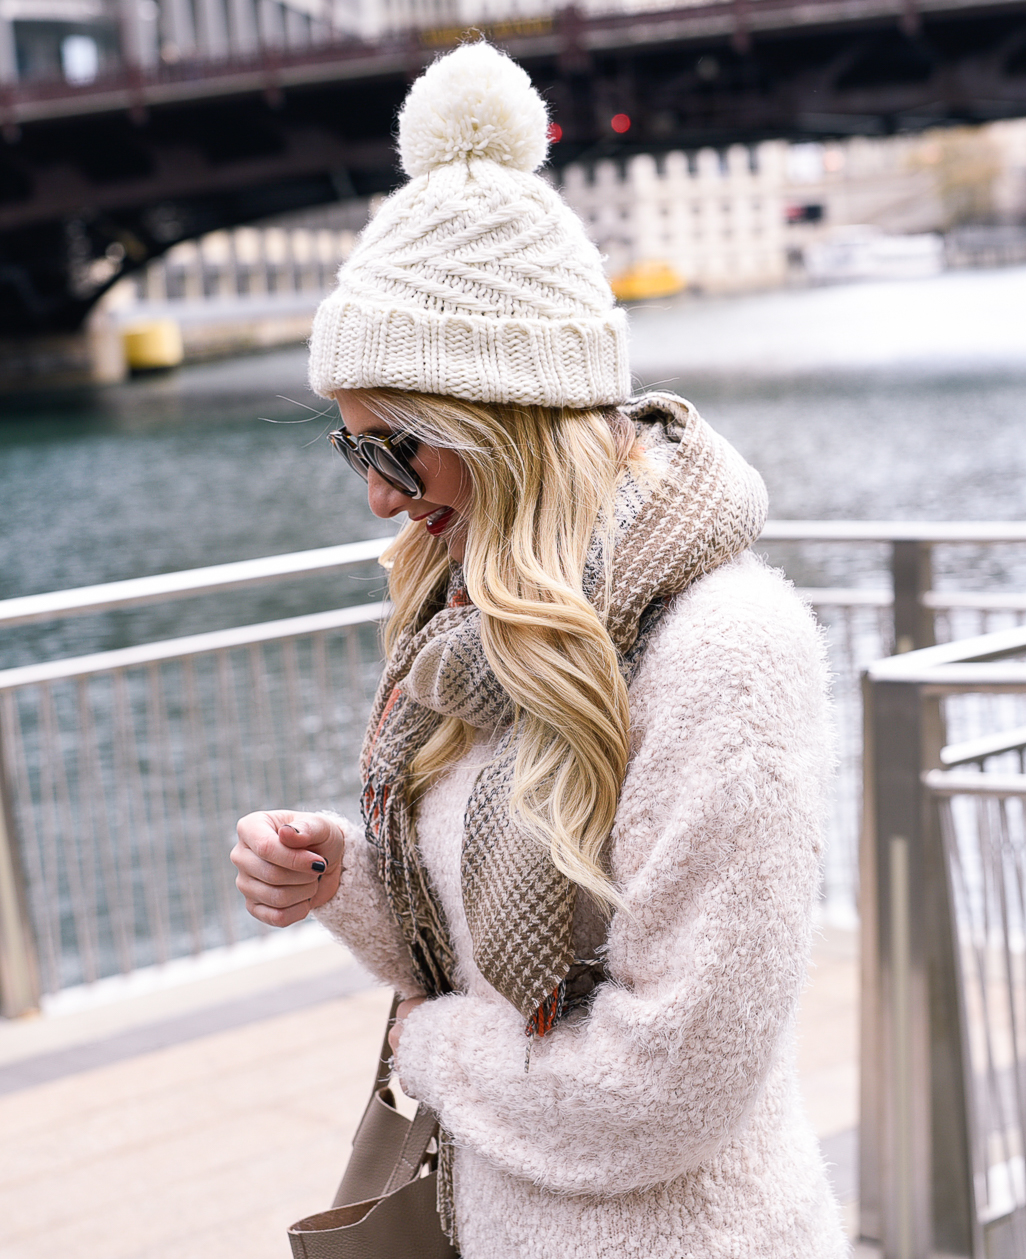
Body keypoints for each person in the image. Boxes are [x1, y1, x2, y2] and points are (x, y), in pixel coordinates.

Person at [232, 41, 848, 1259]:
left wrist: (429, 1044)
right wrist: (342, 876)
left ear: (501, 423)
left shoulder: (727, 647)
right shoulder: (480, 634)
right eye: (353, 453)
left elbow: (669, 1083)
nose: (377, 500)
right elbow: (470, 948)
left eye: (395, 452)